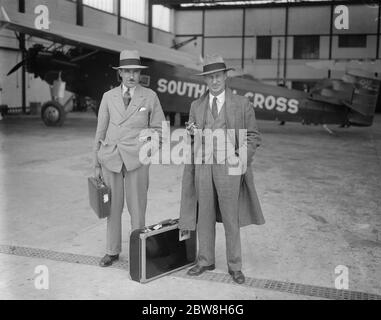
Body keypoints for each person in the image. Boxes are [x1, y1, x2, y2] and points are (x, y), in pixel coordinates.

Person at [179, 54, 265, 284]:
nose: (214, 81)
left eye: (218, 76)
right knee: (204, 215)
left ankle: (235, 266)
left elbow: (253, 136)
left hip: (230, 166)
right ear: (205, 80)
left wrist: (240, 158)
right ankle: (205, 260)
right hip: (204, 166)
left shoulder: (241, 103)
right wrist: (192, 136)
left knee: (231, 217)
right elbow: (191, 137)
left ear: (226, 76)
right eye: (210, 77)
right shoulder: (196, 106)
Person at [93, 50, 165, 267]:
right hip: (111, 158)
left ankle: (138, 251)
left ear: (140, 73)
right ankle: (112, 251)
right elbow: (100, 131)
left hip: (137, 160)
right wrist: (96, 163)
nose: (131, 75)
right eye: (127, 71)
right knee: (112, 207)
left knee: (137, 208)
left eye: (135, 71)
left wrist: (147, 151)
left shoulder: (150, 96)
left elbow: (160, 130)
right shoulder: (108, 97)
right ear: (120, 74)